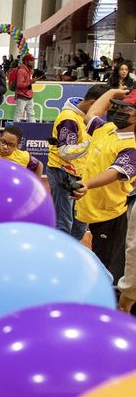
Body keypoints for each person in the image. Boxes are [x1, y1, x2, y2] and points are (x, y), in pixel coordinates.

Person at [71, 89, 136, 281]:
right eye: (116, 106)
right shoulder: (107, 129)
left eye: (125, 109)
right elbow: (90, 115)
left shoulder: (131, 146)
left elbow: (116, 172)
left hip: (112, 217)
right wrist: (113, 92)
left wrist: (87, 184)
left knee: (108, 267)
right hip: (94, 212)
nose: (117, 110)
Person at [47, 85, 105, 238]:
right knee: (64, 224)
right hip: (63, 172)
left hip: (79, 174)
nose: (104, 113)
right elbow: (65, 152)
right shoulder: (69, 118)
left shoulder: (85, 116)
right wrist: (94, 143)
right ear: (93, 103)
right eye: (104, 108)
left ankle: (72, 253)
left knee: (81, 222)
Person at [9, 54, 37, 122]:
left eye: (33, 60)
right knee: (20, 114)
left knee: (29, 114)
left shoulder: (27, 70)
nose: (33, 62)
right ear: (26, 61)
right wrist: (30, 82)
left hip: (27, 95)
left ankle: (33, 128)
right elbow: (20, 84)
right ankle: (15, 130)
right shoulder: (22, 71)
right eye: (31, 60)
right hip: (23, 95)